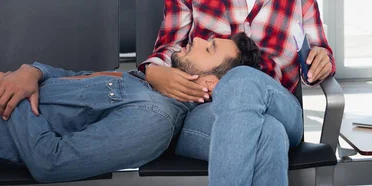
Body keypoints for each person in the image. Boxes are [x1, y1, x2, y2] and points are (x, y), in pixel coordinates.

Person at [0, 33, 260, 182]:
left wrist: (12, 96)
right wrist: (30, 72)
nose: (198, 39)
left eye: (211, 48)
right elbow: (72, 80)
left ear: (210, 84)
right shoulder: (149, 84)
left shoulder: (154, 119)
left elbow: (50, 163)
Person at [139, 0, 335, 185]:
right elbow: (170, 48)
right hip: (208, 111)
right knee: (270, 133)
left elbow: (319, 49)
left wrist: (322, 59)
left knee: (241, 79)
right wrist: (153, 70)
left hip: (279, 105)